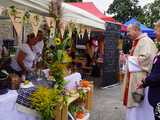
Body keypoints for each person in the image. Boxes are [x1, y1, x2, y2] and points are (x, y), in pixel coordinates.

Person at [120, 22, 157, 120]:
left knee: (139, 104)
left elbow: (146, 59)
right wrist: (128, 57)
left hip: (141, 80)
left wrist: (128, 59)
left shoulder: (146, 41)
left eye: (129, 31)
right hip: (134, 78)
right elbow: (137, 57)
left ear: (136, 30)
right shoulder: (137, 41)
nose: (127, 33)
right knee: (134, 103)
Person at [137, 20, 160, 120]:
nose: (155, 32)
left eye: (156, 29)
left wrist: (145, 81)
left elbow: (158, 75)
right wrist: (145, 83)